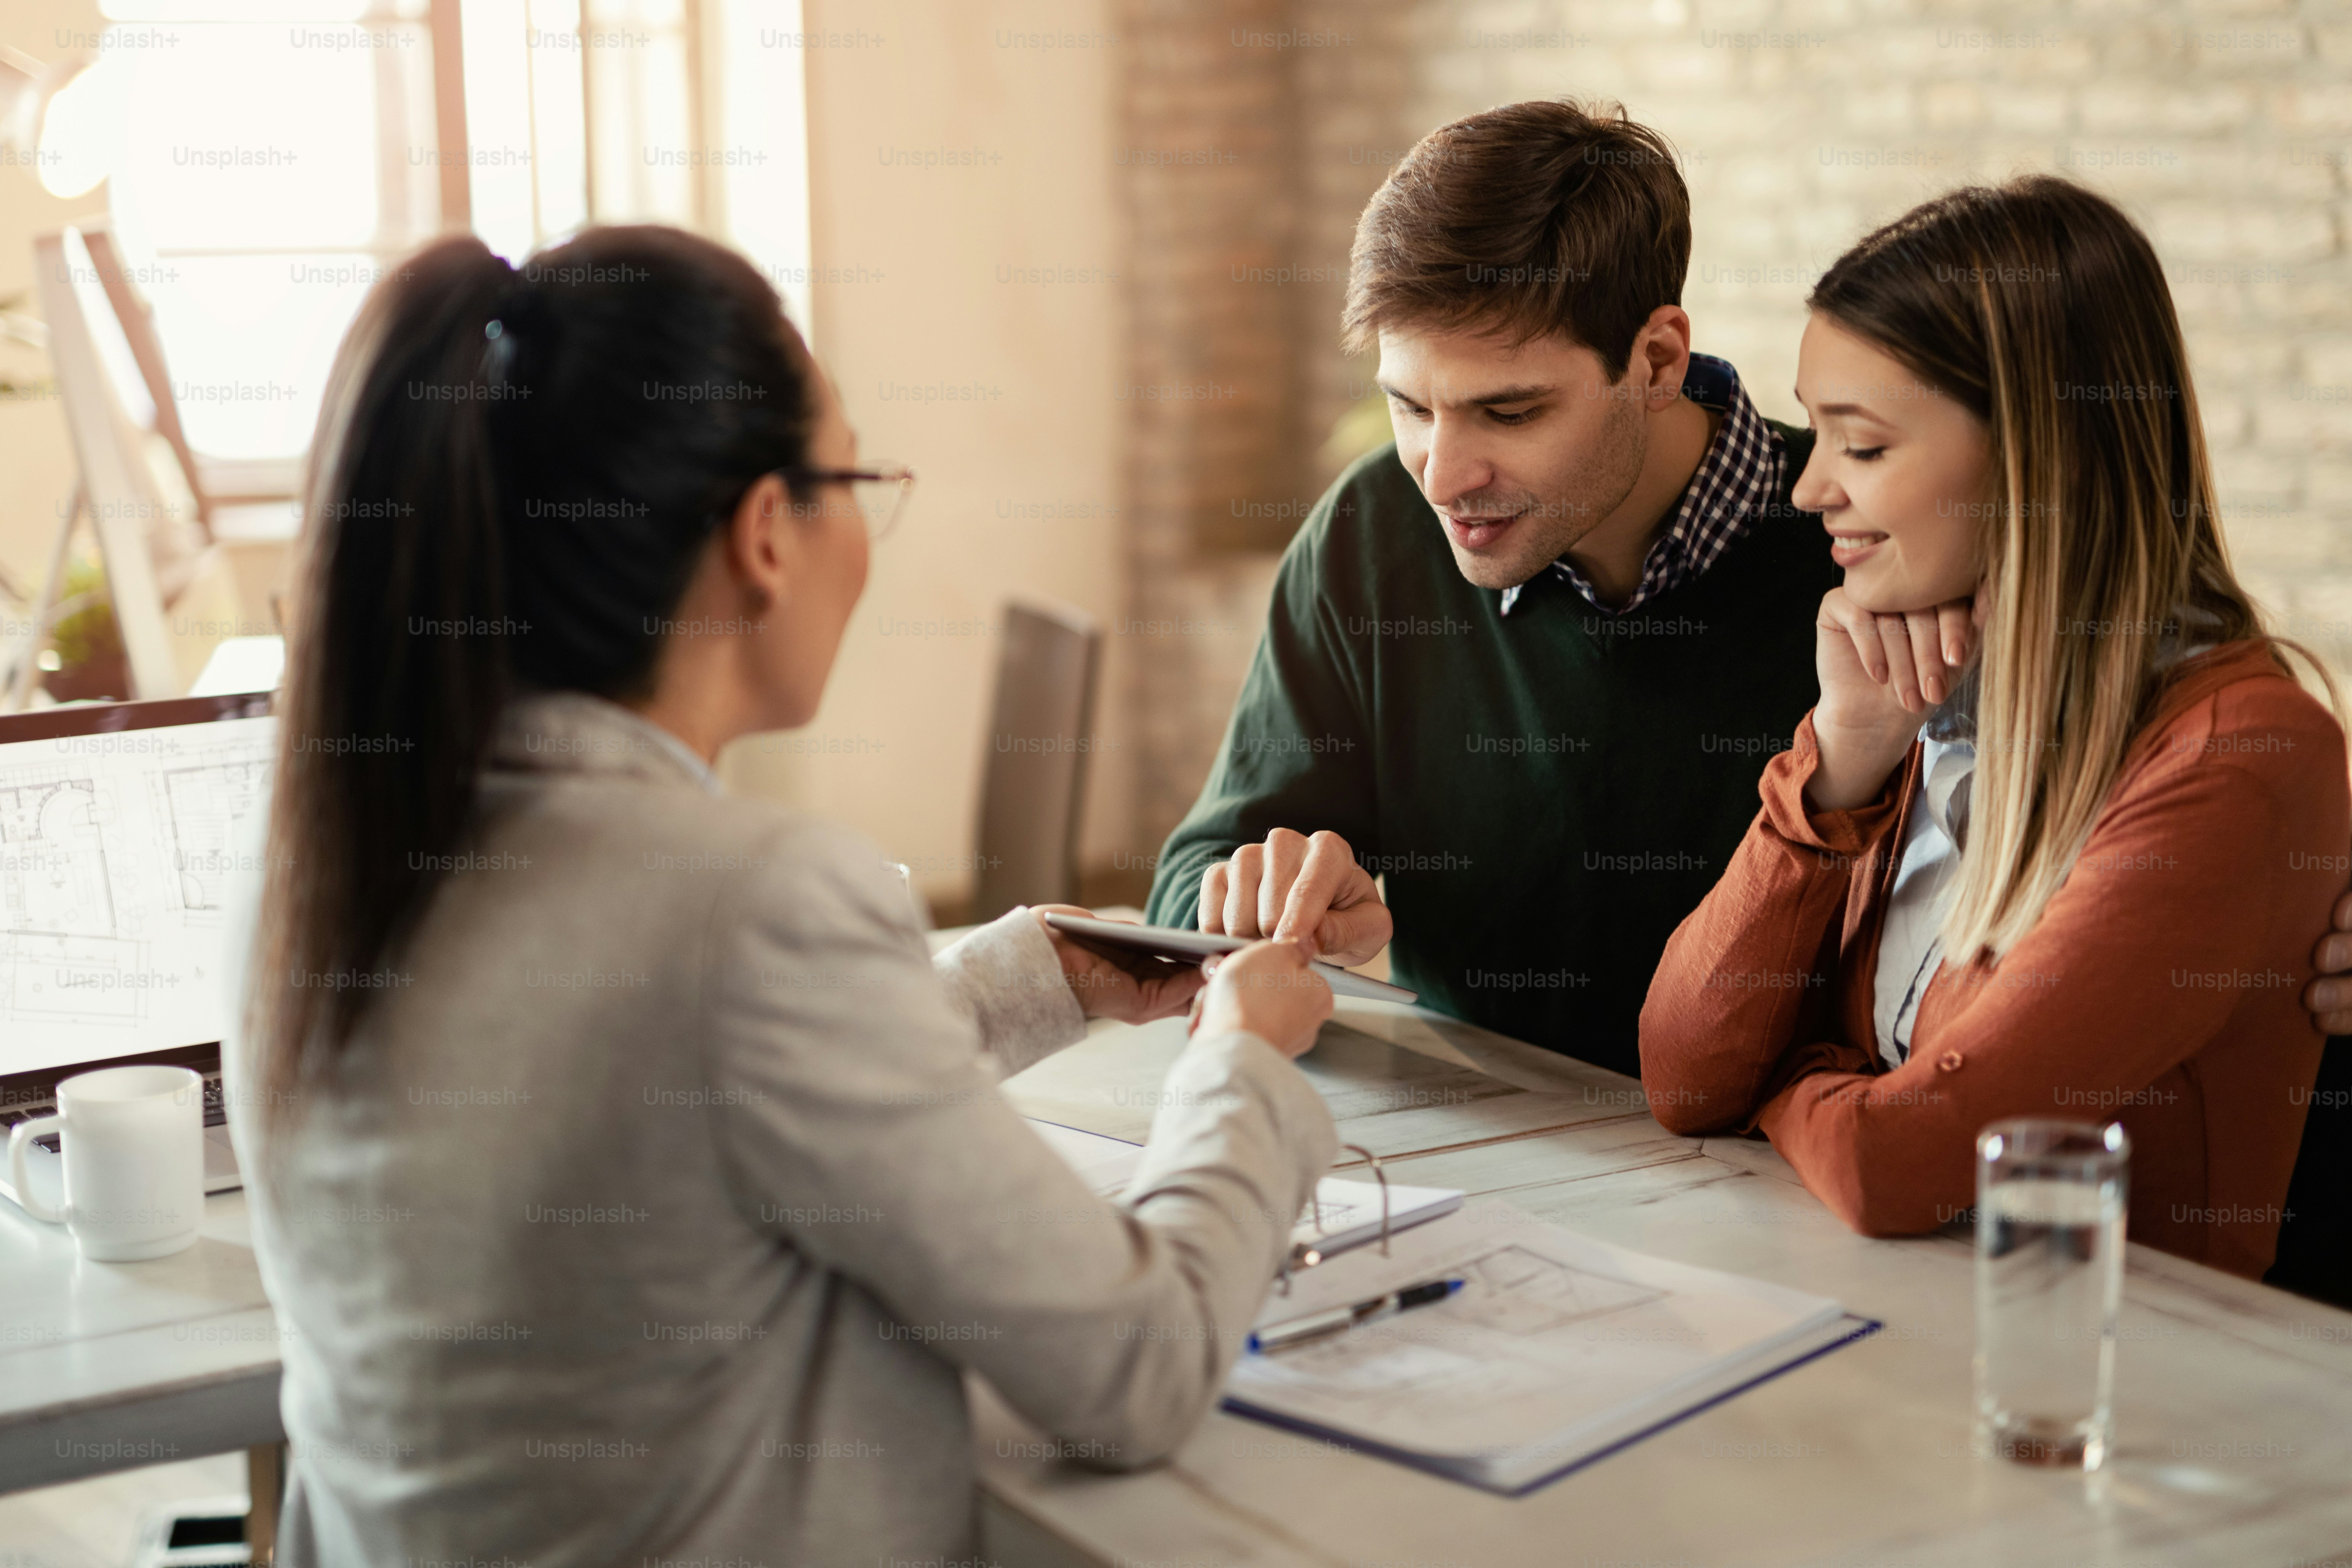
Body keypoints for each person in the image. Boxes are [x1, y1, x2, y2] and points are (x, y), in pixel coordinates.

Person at [222, 226, 1339, 1564]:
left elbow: (667, 1088)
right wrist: (1240, 1065)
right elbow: (1135, 1366)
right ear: (765, 531)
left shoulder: (321, 866)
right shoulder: (742, 904)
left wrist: (1033, 969)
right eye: (854, 478)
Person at [1142, 98, 2352, 1078]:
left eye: (1510, 410)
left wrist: (2298, 896)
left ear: (1657, 358)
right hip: (1486, 1142)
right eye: (1411, 405)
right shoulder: (1370, 533)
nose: (1442, 470)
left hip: (1776, 1182)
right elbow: (1187, 880)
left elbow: (2155, 796)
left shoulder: (1879, 554)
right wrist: (1249, 897)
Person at [1637, 177, 2349, 1280]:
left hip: (2114, 1389)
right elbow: (1683, 1075)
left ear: (2033, 464)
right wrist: (1839, 766)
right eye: (1814, 432)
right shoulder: (1918, 676)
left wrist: (1792, 1078)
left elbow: (1902, 1160)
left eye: (1862, 447)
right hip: (1880, 1329)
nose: (1808, 486)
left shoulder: (2236, 751)